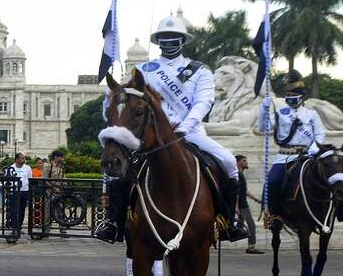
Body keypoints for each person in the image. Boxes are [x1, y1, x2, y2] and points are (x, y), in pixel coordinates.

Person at [97, 15, 249, 242]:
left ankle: (229, 221)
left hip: (191, 132)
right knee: (118, 171)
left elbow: (203, 102)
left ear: (182, 40)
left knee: (228, 162)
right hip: (148, 136)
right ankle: (114, 223)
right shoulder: (142, 69)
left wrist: (185, 127)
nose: (169, 42)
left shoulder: (199, 70)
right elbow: (119, 97)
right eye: (164, 38)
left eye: (174, 37)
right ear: (158, 41)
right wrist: (110, 106)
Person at [258, 69, 343, 224]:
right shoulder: (280, 113)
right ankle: (275, 214)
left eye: (294, 96)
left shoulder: (311, 114)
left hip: (308, 154)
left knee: (335, 175)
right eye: (288, 96)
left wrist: (314, 148)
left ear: (301, 97)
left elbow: (320, 134)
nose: (290, 98)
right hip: (284, 156)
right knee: (272, 180)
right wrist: (263, 110)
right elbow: (263, 128)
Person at [236, 155, 263, 254]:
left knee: (238, 226)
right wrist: (236, 206)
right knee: (251, 225)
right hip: (242, 205)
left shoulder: (241, 175)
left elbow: (244, 190)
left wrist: (257, 199)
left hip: (242, 204)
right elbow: (236, 191)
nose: (246, 163)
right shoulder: (238, 175)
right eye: (244, 161)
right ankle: (251, 247)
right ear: (238, 163)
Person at [41, 150, 67, 236]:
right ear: (55, 157)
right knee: (48, 211)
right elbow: (44, 179)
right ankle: (46, 229)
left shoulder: (61, 167)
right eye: (61, 157)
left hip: (60, 192)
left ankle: (63, 229)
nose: (62, 159)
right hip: (49, 192)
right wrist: (53, 188)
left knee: (61, 211)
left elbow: (64, 179)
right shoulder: (48, 166)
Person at [7, 152, 32, 238]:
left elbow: (30, 179)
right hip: (14, 192)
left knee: (22, 210)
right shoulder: (10, 168)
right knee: (14, 210)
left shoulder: (27, 168)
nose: (23, 160)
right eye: (21, 158)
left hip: (24, 191)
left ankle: (19, 227)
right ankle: (14, 228)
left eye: (24, 158)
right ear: (17, 159)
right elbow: (7, 181)